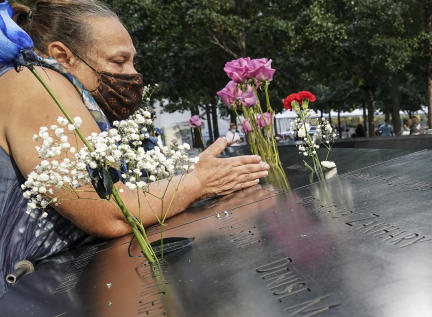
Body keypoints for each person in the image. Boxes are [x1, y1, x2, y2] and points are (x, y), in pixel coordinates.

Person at [0, 0, 269, 286]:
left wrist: (191, 175)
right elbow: (111, 213)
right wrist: (197, 182)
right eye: (118, 61)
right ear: (62, 55)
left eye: (132, 61)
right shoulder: (34, 83)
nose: (132, 74)